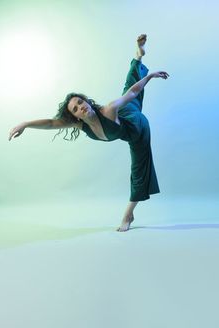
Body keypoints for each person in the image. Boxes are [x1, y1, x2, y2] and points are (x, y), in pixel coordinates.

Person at [9, 34, 169, 232]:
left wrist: (150, 76)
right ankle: (138, 57)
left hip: (136, 127)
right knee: (127, 89)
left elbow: (134, 92)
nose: (80, 107)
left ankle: (128, 214)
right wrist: (25, 123)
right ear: (76, 117)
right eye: (76, 109)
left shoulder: (108, 110)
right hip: (123, 116)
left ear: (86, 101)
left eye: (80, 102)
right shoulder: (80, 125)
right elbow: (51, 123)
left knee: (138, 168)